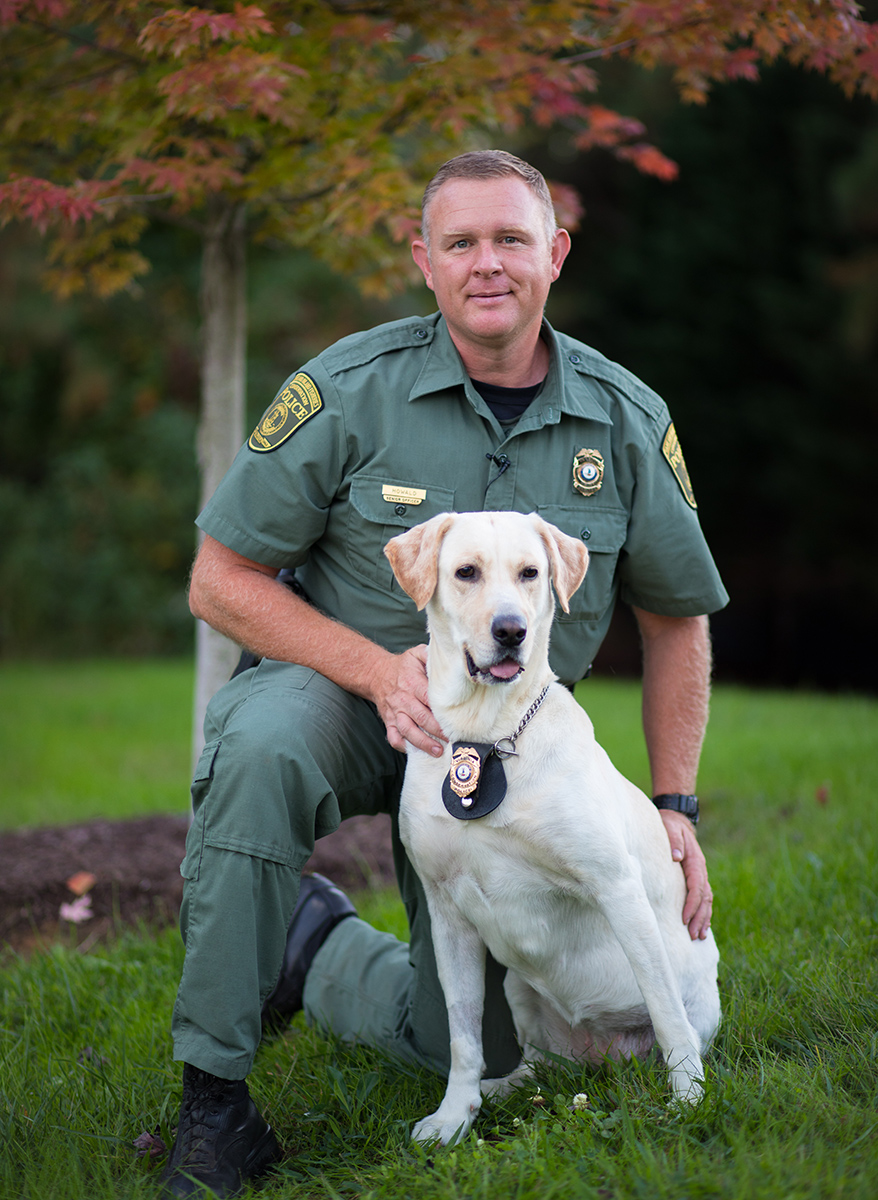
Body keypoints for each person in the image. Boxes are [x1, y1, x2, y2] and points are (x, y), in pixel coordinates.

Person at [160, 150, 728, 1197]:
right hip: (337, 689)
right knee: (258, 747)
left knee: (479, 1054)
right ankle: (214, 1101)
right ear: (422, 260)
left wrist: (671, 803)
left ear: (554, 254)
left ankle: (317, 946)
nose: (486, 264)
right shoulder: (344, 388)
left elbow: (674, 621)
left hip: (507, 741)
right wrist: (376, 673)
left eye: (511, 238)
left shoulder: (623, 419)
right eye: (459, 241)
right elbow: (220, 579)